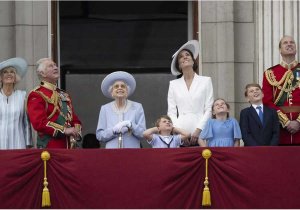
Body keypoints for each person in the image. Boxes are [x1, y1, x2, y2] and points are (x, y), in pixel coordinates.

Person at [27, 58, 82, 149]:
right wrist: (64, 130)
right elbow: (39, 123)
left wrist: (76, 131)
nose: (56, 68)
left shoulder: (64, 94)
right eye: (50, 66)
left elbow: (74, 118)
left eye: (55, 65)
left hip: (70, 146)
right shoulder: (36, 94)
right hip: (50, 147)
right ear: (42, 73)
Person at [167, 40, 214, 146]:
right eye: (181, 56)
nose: (185, 57)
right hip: (181, 133)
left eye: (187, 55)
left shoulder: (206, 81)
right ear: (179, 66)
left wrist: (198, 131)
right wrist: (180, 133)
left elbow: (209, 109)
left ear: (193, 61)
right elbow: (171, 112)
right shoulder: (173, 84)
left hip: (202, 132)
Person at [262, 35, 300, 145]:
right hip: (280, 129)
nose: (289, 44)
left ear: (296, 48)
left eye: (292, 42)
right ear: (280, 50)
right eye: (285, 43)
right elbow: (267, 101)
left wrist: (298, 121)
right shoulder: (270, 73)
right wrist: (286, 122)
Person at [96, 71, 146, 148]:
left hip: (132, 152)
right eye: (116, 86)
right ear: (111, 92)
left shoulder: (137, 107)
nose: (120, 88)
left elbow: (143, 134)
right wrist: (113, 131)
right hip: (112, 153)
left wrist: (131, 125)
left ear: (127, 91)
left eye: (123, 86)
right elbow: (99, 135)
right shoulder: (105, 108)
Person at [0, 57, 32, 149]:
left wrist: (28, 143)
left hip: (18, 143)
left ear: (15, 77)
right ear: (0, 78)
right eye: (5, 72)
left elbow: (26, 122)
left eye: (12, 72)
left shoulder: (22, 96)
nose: (9, 74)